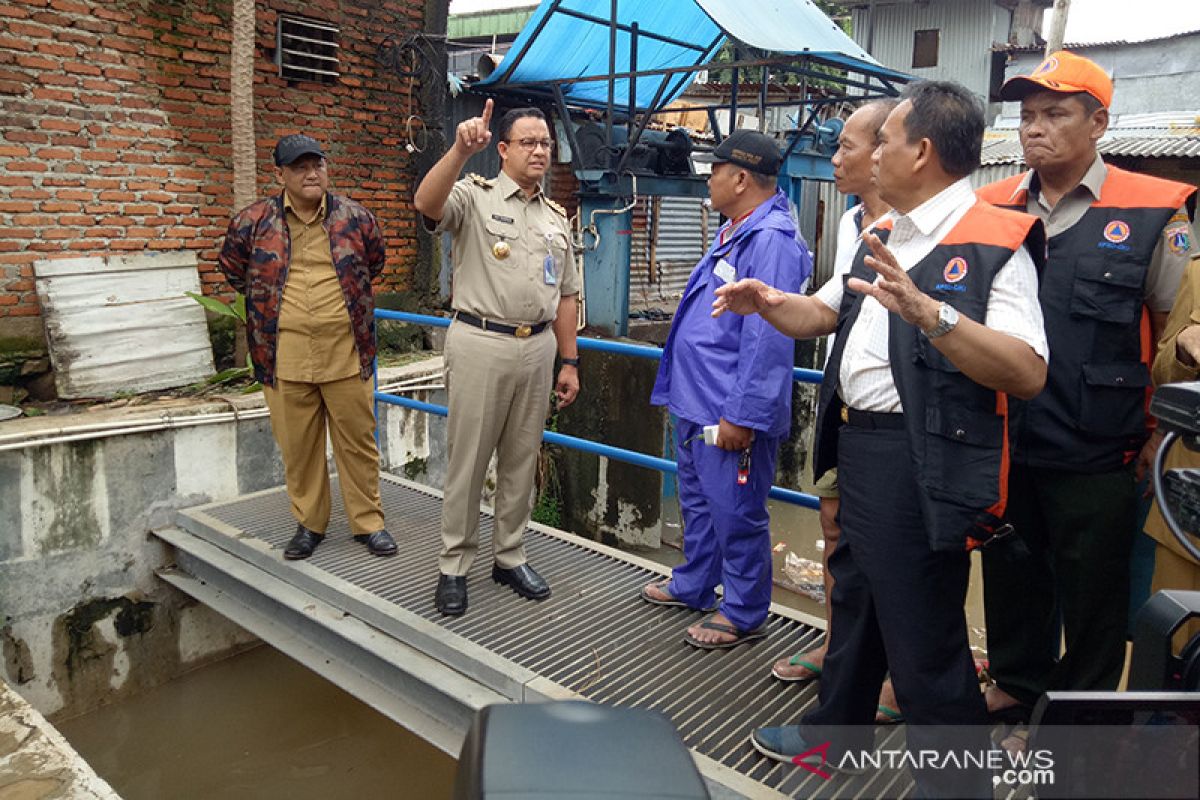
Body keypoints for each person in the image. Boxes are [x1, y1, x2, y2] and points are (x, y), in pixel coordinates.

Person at [716, 81, 1048, 797]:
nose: (869, 157)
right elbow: (824, 315)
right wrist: (771, 303)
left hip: (918, 459)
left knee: (924, 642)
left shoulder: (994, 243)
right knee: (858, 602)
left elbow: (1026, 371)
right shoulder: (884, 233)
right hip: (860, 448)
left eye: (885, 141)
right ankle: (833, 737)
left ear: (922, 151)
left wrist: (932, 314)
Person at [977, 51, 1197, 717]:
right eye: (1027, 115)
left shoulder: (1156, 212)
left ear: (1099, 122)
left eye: (1055, 113)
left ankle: (1078, 721)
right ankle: (1016, 687)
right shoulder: (991, 207)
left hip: (1099, 447)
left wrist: (1154, 441)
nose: (1034, 127)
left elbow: (1173, 333)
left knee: (1094, 596)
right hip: (1006, 440)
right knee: (1012, 576)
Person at [638, 129, 810, 648]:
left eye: (713, 171)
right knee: (697, 501)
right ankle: (694, 582)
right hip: (696, 396)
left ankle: (742, 610)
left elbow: (768, 338)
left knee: (736, 511)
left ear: (739, 178)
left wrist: (742, 415)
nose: (708, 181)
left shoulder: (771, 239)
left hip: (727, 405)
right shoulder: (736, 229)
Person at [414, 101, 581, 617]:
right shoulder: (474, 196)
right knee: (468, 461)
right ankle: (454, 565)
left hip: (539, 349)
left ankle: (509, 555)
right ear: (503, 149)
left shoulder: (556, 218)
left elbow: (569, 294)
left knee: (521, 458)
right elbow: (426, 204)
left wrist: (570, 361)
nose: (539, 151)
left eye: (546, 144)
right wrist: (461, 150)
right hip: (481, 342)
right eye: (528, 142)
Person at [768, 98, 905, 724]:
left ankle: (900, 675)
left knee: (906, 556)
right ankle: (838, 649)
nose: (835, 156)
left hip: (901, 430)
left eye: (845, 145)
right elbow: (826, 306)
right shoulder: (852, 223)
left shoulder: (928, 227)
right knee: (833, 535)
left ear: (886, 150)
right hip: (842, 407)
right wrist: (766, 302)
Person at [218, 134, 397, 561]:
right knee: (299, 447)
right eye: (299, 166)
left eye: (317, 164)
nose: (311, 173)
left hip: (346, 353)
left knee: (358, 442)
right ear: (279, 174)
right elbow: (233, 268)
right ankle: (310, 524)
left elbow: (375, 263)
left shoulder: (355, 218)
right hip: (284, 357)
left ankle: (368, 523)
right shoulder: (253, 222)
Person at [1145, 252, 1200, 642]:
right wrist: (1182, 347)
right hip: (1192, 515)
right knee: (1178, 653)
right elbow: (1163, 374)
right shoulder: (1198, 271)